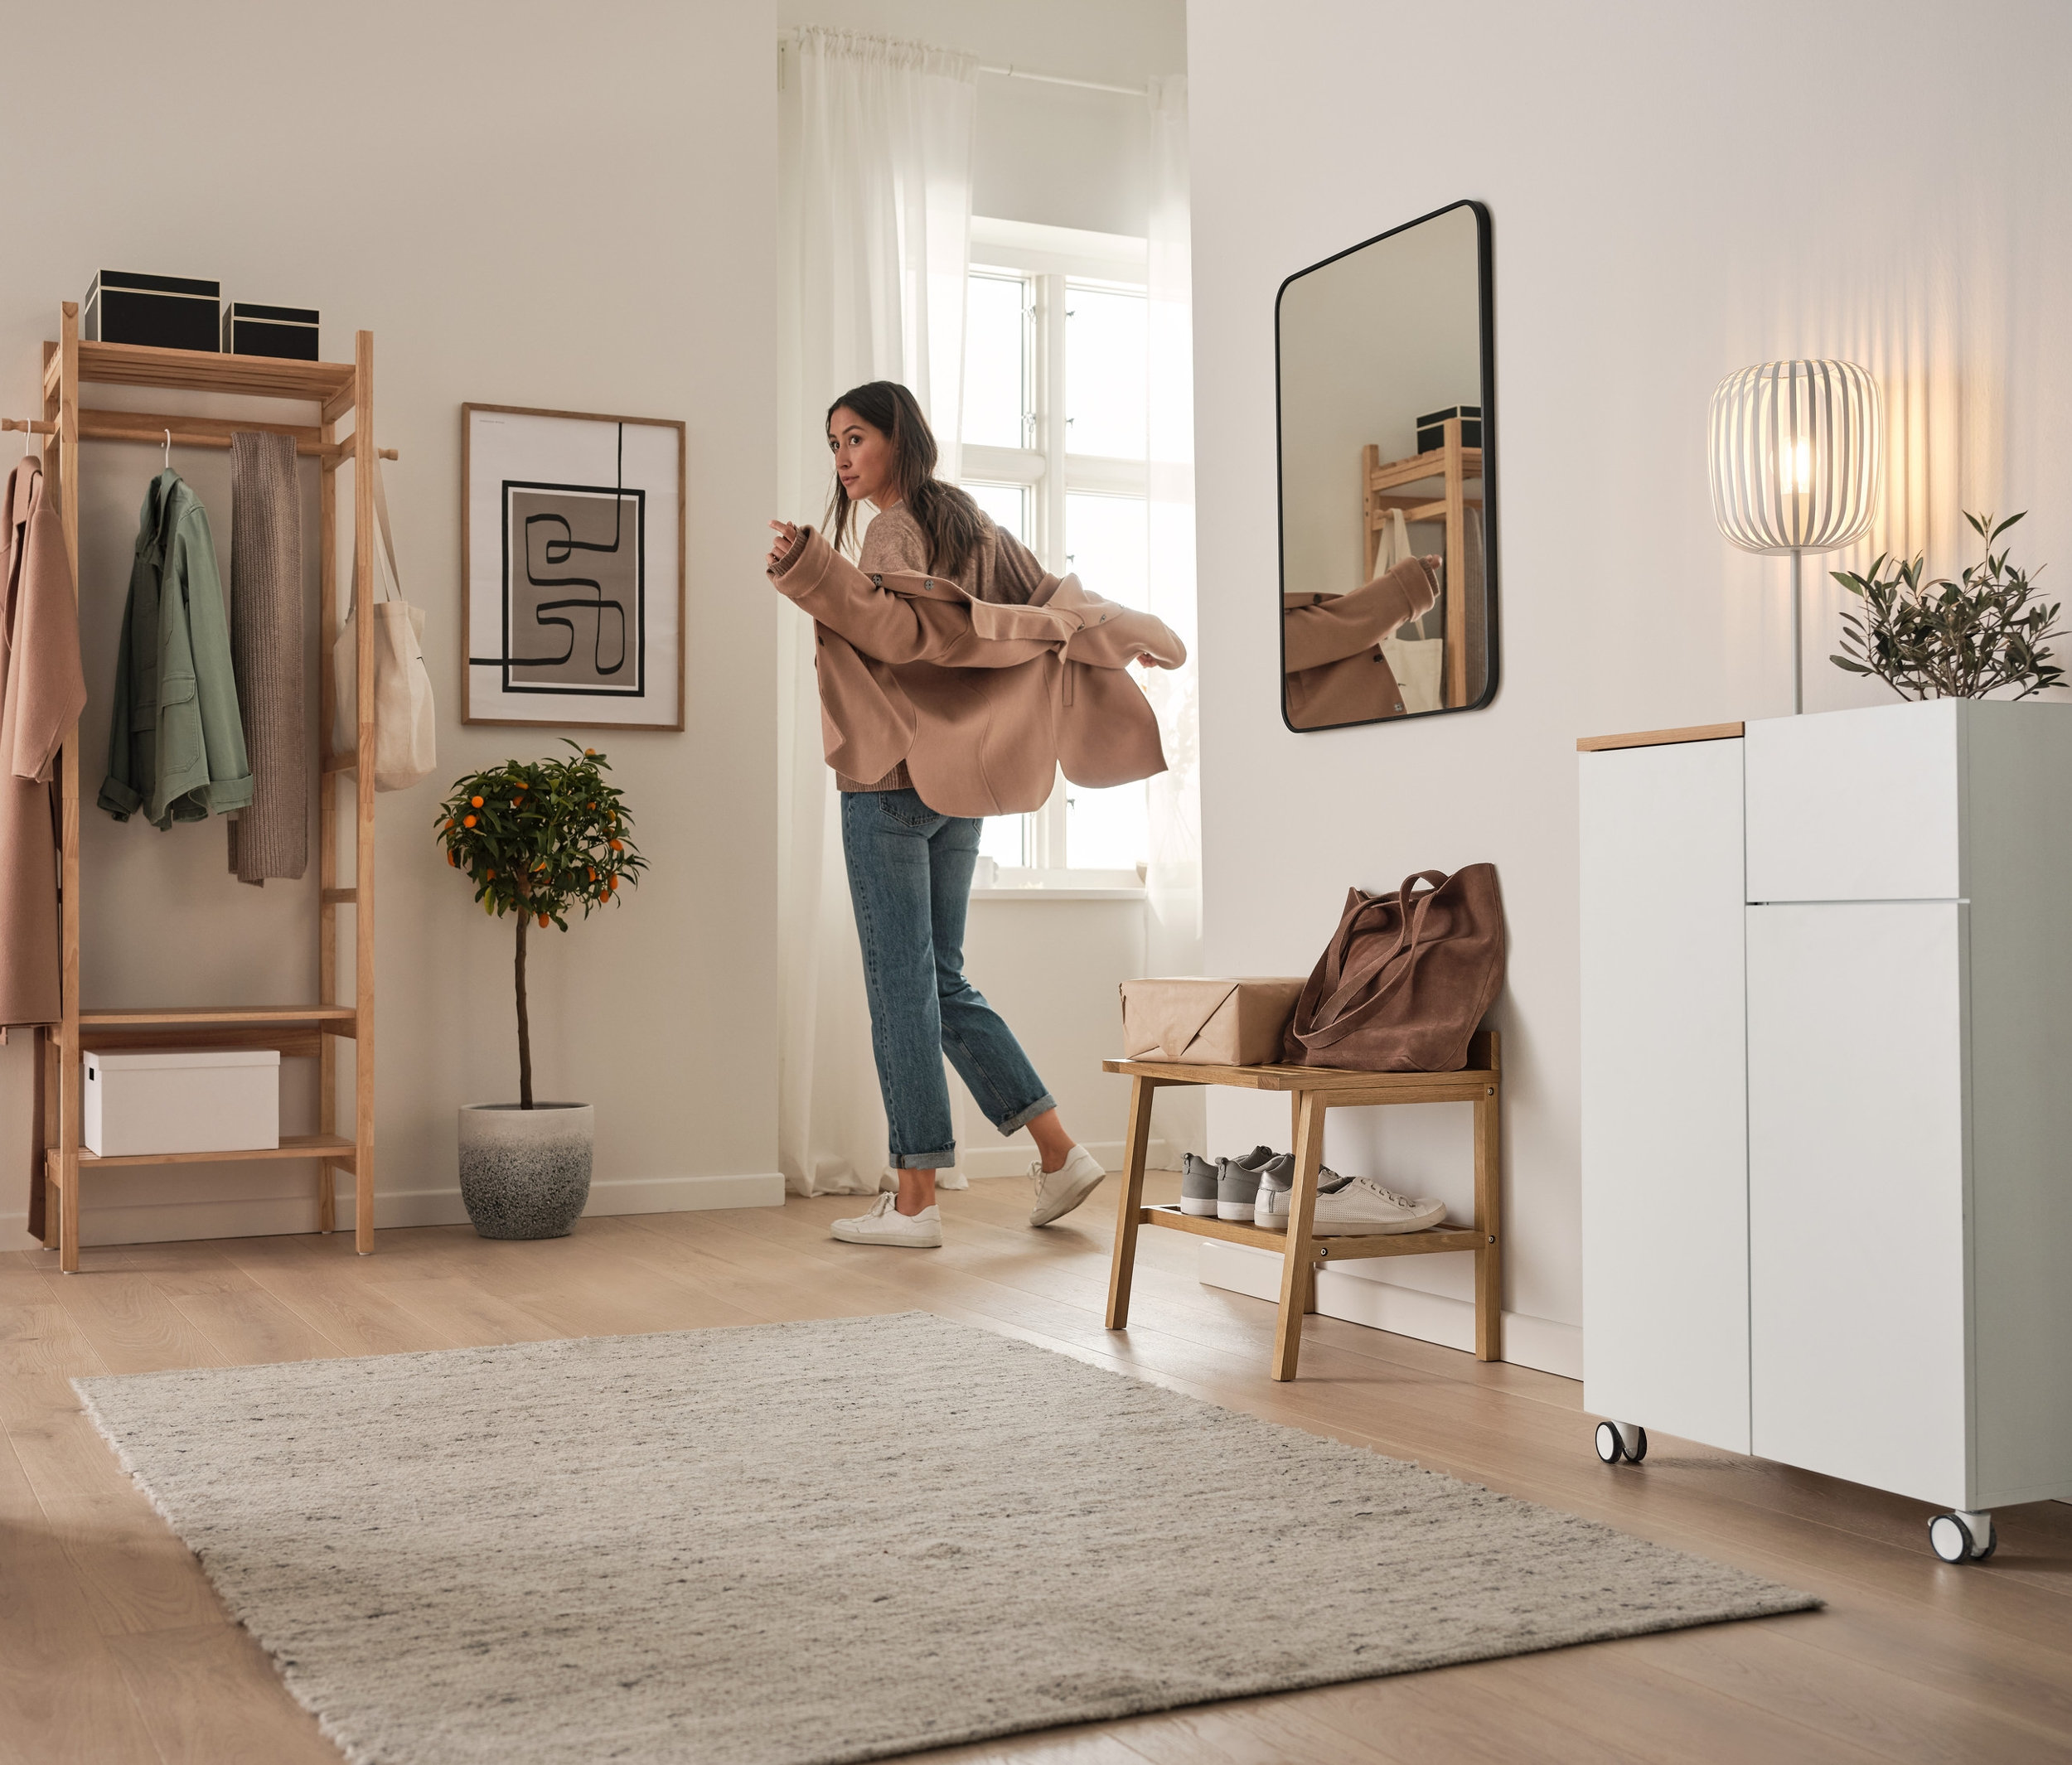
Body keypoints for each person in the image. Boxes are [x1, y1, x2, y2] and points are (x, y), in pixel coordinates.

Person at [766, 380, 1184, 1248]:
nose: (842, 459)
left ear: (897, 441)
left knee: (900, 987)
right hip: (966, 789)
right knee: (941, 981)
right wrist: (1129, 630)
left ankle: (914, 1200)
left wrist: (810, 568)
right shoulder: (977, 527)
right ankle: (1060, 1151)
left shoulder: (891, 527)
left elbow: (905, 635)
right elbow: (1056, 605)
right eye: (833, 444)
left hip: (891, 777)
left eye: (855, 440)